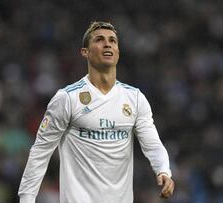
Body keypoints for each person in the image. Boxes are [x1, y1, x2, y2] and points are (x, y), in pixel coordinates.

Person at [18, 21, 175, 203]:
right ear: (85, 52)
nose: (107, 44)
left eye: (112, 41)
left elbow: (153, 144)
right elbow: (40, 152)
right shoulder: (67, 98)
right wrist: (26, 199)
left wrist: (163, 170)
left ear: (117, 52)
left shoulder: (135, 99)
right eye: (99, 40)